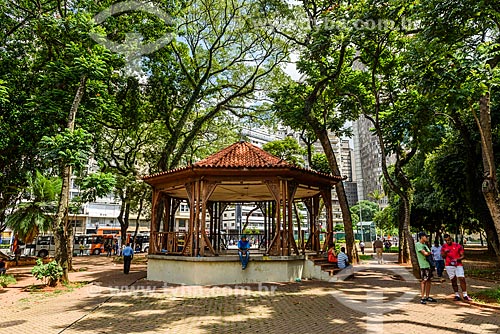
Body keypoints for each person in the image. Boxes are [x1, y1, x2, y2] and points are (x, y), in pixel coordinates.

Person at [441, 233, 469, 301]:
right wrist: (445, 252)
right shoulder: (444, 247)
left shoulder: (458, 246)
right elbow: (443, 256)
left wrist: (457, 259)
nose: (448, 242)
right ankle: (456, 294)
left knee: (462, 278)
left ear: (451, 239)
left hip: (458, 265)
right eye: (446, 241)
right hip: (449, 265)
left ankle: (465, 294)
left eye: (449, 240)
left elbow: (463, 256)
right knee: (453, 280)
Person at [415, 232, 437, 304]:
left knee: (429, 280)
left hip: (428, 265)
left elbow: (429, 253)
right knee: (424, 281)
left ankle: (427, 296)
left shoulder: (425, 245)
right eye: (425, 236)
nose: (426, 238)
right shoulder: (418, 245)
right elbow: (425, 253)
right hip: (423, 265)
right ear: (421, 237)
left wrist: (430, 253)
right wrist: (430, 253)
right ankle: (422, 297)